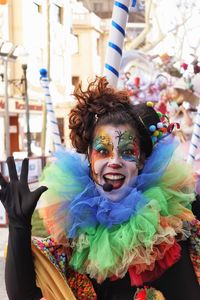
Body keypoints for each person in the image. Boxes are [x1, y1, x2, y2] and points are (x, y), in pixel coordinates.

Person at [0, 76, 200, 300]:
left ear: (142, 160)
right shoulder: (77, 236)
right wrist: (18, 226)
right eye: (103, 151)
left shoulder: (178, 221)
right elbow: (23, 294)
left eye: (126, 152)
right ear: (89, 158)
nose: (115, 161)